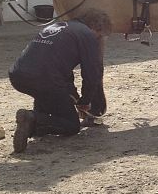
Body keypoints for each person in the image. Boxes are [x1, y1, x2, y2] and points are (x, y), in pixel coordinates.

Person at [9, 8, 111, 152]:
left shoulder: (59, 26)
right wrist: (85, 101)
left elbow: (62, 70)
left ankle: (35, 119)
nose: (98, 40)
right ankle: (33, 120)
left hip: (18, 75)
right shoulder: (87, 35)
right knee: (71, 125)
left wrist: (75, 98)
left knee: (48, 96)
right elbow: (91, 74)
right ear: (96, 27)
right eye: (99, 36)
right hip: (45, 79)